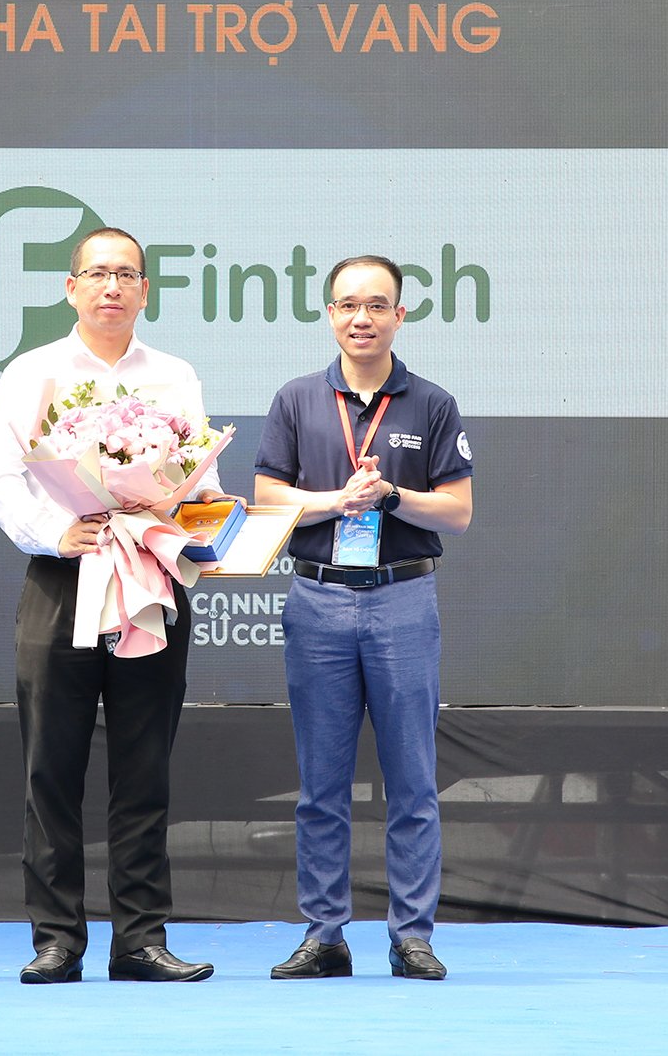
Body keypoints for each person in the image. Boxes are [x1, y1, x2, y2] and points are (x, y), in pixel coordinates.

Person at [0, 227, 222, 984]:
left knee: (144, 768)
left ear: (146, 290)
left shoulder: (174, 374)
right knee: (50, 767)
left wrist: (204, 523)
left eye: (127, 275)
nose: (111, 287)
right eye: (97, 273)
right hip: (64, 577)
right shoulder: (33, 371)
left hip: (149, 580)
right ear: (70, 286)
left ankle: (140, 939)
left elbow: (197, 476)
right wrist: (57, 532)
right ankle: (56, 939)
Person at [252, 255, 474, 981]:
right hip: (318, 598)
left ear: (399, 316)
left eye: (377, 305)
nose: (362, 318)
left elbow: (458, 511)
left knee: (413, 779)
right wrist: (337, 501)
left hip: (403, 598)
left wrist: (392, 498)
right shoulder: (296, 399)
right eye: (348, 304)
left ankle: (412, 936)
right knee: (321, 784)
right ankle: (324, 935)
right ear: (330, 314)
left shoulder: (431, 403)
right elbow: (268, 496)